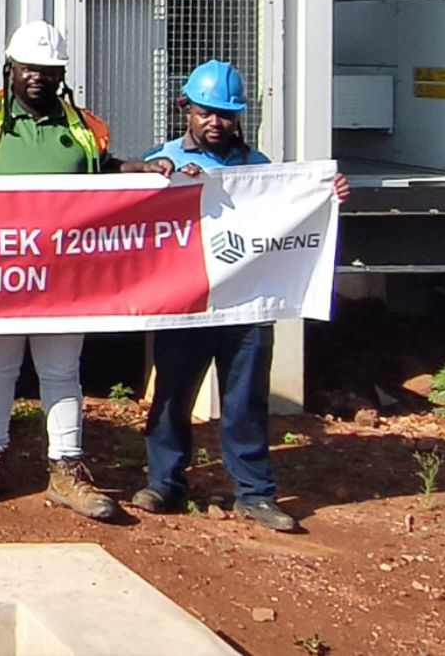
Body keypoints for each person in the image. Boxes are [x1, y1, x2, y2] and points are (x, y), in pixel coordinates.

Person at [0, 19, 176, 522]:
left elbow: (104, 167)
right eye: (28, 69)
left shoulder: (82, 125)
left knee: (61, 369)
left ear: (60, 75)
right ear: (11, 68)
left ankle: (66, 468)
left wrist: (140, 169)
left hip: (63, 276)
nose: (38, 79)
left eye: (48, 71)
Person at [133, 60, 351, 533]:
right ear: (184, 108)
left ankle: (254, 493)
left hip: (246, 308)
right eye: (206, 112)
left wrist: (326, 194)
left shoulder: (260, 170)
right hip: (186, 304)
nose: (215, 123)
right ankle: (165, 482)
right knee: (172, 395)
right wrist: (161, 180)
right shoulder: (163, 159)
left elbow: (293, 207)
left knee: (245, 400)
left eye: (226, 115)